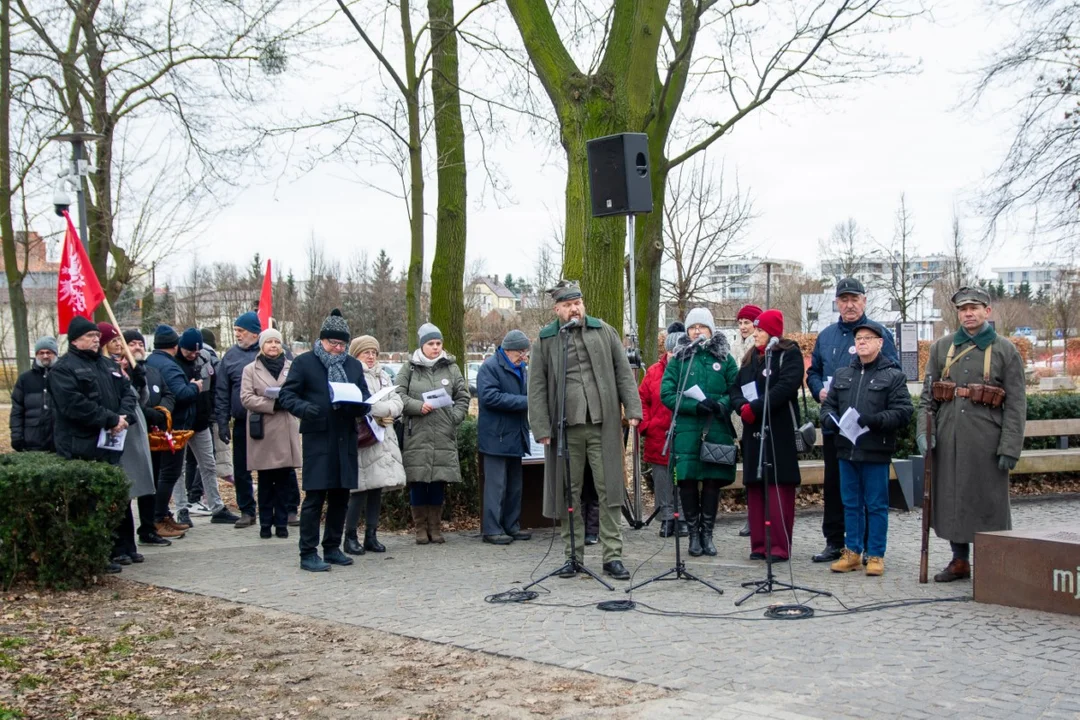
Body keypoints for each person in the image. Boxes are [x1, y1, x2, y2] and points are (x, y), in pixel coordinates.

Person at [527, 281, 643, 581]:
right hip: (564, 429)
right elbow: (536, 387)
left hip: (603, 424)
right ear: (557, 309)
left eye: (578, 302)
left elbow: (623, 373)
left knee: (610, 490)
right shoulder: (546, 339)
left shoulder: (604, 332)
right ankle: (572, 556)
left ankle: (612, 556)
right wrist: (541, 426)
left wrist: (633, 409)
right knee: (569, 493)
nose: (574, 308)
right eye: (568, 305)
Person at [918, 286, 1026, 582]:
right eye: (963, 309)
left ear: (986, 312)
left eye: (974, 308)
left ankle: (993, 562)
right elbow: (928, 397)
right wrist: (924, 434)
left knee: (988, 501)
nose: (968, 313)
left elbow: (1016, 403)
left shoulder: (1005, 349)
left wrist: (1010, 447)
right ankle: (959, 560)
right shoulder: (942, 348)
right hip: (950, 436)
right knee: (953, 498)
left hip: (986, 440)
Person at [806, 277, 899, 563]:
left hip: (869, 428)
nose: (849, 304)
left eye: (854, 299)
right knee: (836, 487)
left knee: (871, 493)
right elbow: (814, 372)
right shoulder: (826, 336)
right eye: (843, 300)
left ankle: (871, 549)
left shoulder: (879, 332)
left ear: (864, 301)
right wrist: (818, 388)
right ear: (836, 303)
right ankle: (836, 542)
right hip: (838, 426)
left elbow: (893, 372)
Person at [278, 309, 371, 572]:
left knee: (341, 496)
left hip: (345, 436)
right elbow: (286, 396)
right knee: (315, 497)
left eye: (342, 344)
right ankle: (308, 552)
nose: (337, 348)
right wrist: (305, 408)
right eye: (333, 343)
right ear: (322, 340)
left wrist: (360, 407)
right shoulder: (305, 363)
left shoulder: (352, 365)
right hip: (318, 437)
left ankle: (332, 547)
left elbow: (362, 395)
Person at [821, 322, 913, 577]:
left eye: (867, 338)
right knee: (850, 503)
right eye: (858, 338)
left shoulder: (892, 376)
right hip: (846, 449)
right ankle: (852, 551)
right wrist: (828, 418)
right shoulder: (842, 374)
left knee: (876, 505)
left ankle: (875, 555)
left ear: (880, 343)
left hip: (875, 450)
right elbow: (828, 405)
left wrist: (875, 420)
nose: (861, 342)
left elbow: (904, 412)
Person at [48, 317, 139, 574]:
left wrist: (124, 418)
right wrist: (109, 419)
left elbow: (128, 393)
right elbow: (73, 405)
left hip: (110, 444)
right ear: (75, 340)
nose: (96, 340)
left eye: (97, 336)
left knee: (114, 498)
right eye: (90, 336)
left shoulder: (108, 365)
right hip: (81, 445)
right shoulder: (64, 369)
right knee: (88, 503)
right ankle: (95, 555)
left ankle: (121, 548)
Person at [661, 308, 739, 557]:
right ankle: (693, 535)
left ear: (711, 330)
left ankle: (708, 534)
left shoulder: (725, 359)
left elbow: (736, 389)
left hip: (715, 428)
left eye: (702, 327)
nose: (697, 331)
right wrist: (693, 405)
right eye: (693, 327)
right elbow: (667, 393)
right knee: (687, 481)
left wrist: (722, 404)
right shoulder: (679, 359)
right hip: (686, 430)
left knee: (712, 482)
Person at [730, 310, 803, 563]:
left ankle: (779, 546)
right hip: (753, 431)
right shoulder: (751, 357)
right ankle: (759, 544)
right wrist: (741, 407)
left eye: (760, 330)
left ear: (772, 332)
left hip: (778, 430)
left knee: (778, 488)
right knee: (756, 487)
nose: (756, 334)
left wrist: (756, 408)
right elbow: (736, 387)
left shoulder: (789, 354)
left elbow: (785, 387)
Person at [396, 323, 470, 545]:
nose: (436, 348)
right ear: (422, 345)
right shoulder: (408, 368)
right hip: (417, 433)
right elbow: (397, 394)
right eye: (431, 344)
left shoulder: (451, 368)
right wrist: (418, 406)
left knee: (438, 481)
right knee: (418, 482)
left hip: (443, 433)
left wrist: (454, 418)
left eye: (438, 343)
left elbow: (463, 396)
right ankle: (420, 529)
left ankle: (435, 528)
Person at [344, 335, 405, 555]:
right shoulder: (353, 374)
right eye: (366, 352)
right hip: (365, 438)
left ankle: (372, 535)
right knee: (360, 489)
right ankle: (350, 536)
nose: (370, 357)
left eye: (374, 352)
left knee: (377, 488)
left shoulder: (384, 375)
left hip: (384, 438)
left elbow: (398, 401)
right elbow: (363, 404)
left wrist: (389, 412)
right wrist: (384, 411)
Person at [241, 328, 302, 540]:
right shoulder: (250, 369)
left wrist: (289, 401)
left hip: (285, 427)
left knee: (285, 481)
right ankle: (265, 524)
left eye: (277, 341)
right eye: (269, 342)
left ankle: (283, 523)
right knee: (266, 481)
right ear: (262, 345)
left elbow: (300, 392)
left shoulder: (292, 367)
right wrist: (272, 404)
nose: (273, 345)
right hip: (264, 429)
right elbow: (246, 398)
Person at [174, 328, 239, 525]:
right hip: (179, 424)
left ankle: (217, 507)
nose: (193, 355)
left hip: (201, 422)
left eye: (196, 351)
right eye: (189, 352)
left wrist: (212, 413)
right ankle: (182, 508)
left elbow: (215, 388)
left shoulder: (204, 358)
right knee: (178, 468)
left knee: (209, 464)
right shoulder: (173, 364)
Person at [122, 329, 180, 547]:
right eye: (132, 343)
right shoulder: (121, 372)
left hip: (153, 437)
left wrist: (162, 411)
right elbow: (131, 402)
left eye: (140, 343)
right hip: (130, 436)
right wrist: (146, 413)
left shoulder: (153, 371)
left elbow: (168, 394)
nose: (137, 347)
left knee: (151, 483)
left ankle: (148, 527)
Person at [476, 329, 532, 545]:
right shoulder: (490, 367)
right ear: (508, 350)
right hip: (495, 437)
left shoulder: (521, 368)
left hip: (515, 435)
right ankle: (492, 529)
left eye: (525, 352)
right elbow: (490, 397)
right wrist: (525, 402)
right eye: (521, 352)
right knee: (496, 486)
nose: (524, 356)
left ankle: (511, 525)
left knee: (514, 486)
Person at [146, 325, 202, 533]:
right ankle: (158, 517)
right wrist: (195, 387)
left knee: (162, 473)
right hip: (172, 429)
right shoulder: (169, 366)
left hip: (159, 427)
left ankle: (159, 515)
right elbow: (180, 394)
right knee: (170, 473)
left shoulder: (152, 361)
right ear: (175, 345)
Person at [215, 312, 263, 528]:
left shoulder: (268, 350)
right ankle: (247, 510)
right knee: (242, 468)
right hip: (242, 422)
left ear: (255, 332)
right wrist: (222, 422)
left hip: (268, 421)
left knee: (272, 467)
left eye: (241, 331)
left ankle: (281, 509)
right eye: (235, 331)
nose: (237, 335)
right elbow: (222, 391)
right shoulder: (230, 357)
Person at [639, 323, 683, 538]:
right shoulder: (654, 372)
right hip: (658, 435)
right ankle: (666, 519)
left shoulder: (689, 370)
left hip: (683, 434)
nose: (674, 354)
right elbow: (641, 399)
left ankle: (682, 518)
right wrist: (646, 425)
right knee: (663, 480)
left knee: (683, 479)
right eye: (671, 350)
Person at [732, 305, 761, 538]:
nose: (743, 327)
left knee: (758, 466)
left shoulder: (761, 345)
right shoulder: (733, 345)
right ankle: (752, 516)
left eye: (747, 322)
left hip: (758, 412)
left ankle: (760, 515)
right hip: (740, 412)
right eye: (740, 322)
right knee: (749, 467)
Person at [200, 328, 235, 485]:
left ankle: (197, 493)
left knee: (200, 458)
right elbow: (220, 387)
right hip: (212, 413)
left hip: (203, 413)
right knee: (212, 454)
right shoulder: (211, 358)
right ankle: (200, 493)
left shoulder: (196, 357)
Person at [10, 336, 57, 452]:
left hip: (58, 440)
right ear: (36, 355)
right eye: (41, 353)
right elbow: (17, 410)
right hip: (32, 440)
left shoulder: (64, 377)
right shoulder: (25, 379)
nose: (45, 356)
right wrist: (16, 435)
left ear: (55, 354)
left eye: (49, 352)